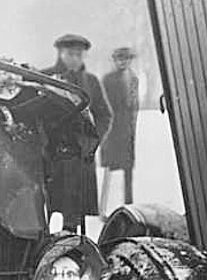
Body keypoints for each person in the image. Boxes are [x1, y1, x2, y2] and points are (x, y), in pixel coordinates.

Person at [41, 34, 113, 232]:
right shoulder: (44, 78)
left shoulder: (91, 81)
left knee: (74, 211)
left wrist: (91, 141)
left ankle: (71, 242)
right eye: (70, 54)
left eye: (79, 55)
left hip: (79, 156)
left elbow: (104, 115)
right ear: (60, 53)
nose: (75, 59)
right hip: (50, 153)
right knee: (43, 207)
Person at [99, 46, 140, 213]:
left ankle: (129, 206)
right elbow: (103, 106)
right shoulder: (107, 80)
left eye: (127, 59)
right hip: (112, 131)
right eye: (120, 59)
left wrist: (132, 126)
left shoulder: (133, 78)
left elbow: (134, 104)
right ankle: (104, 208)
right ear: (115, 61)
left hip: (127, 131)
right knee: (110, 168)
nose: (123, 62)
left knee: (128, 169)